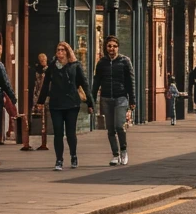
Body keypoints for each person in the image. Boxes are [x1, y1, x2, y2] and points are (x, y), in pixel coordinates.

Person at [38, 42, 93, 170]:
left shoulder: (75, 66)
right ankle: (59, 160)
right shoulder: (52, 67)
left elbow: (84, 85)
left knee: (70, 133)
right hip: (56, 104)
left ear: (68, 52)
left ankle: (73, 155)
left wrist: (90, 103)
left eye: (63, 50)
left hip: (71, 104)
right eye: (58, 50)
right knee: (58, 132)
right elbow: (45, 85)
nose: (60, 52)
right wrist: (40, 102)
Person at [92, 35, 135, 166]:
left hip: (121, 97)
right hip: (106, 98)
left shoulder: (125, 61)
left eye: (114, 46)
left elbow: (130, 81)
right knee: (110, 129)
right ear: (106, 48)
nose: (112, 49)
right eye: (109, 46)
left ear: (118, 47)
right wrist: (92, 100)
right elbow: (96, 82)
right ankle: (115, 155)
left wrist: (132, 100)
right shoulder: (101, 63)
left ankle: (123, 150)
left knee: (119, 126)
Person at [22, 52, 50, 152]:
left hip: (44, 96)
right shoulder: (34, 71)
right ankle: (28, 142)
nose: (43, 62)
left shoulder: (48, 70)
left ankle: (43, 143)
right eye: (41, 60)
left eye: (44, 60)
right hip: (35, 95)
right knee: (32, 118)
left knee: (43, 120)